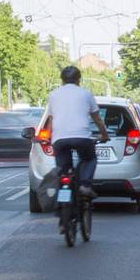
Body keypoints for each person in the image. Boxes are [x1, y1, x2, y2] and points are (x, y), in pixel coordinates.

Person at [36, 65, 107, 201]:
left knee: (63, 172)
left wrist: (50, 138)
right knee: (89, 159)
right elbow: (97, 118)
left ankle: (62, 213)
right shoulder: (86, 93)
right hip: (82, 138)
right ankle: (85, 185)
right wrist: (104, 135)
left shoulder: (53, 95)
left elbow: (51, 119)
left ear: (62, 80)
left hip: (60, 140)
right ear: (79, 80)